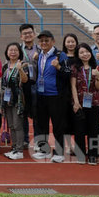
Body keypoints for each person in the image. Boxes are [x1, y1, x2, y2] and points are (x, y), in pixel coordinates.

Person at [31, 30, 70, 163]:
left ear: (53, 41)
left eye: (46, 40)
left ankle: (59, 152)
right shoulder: (40, 55)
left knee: (58, 124)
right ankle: (44, 150)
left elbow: (68, 74)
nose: (44, 43)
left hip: (55, 95)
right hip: (41, 95)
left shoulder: (60, 55)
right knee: (42, 124)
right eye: (41, 41)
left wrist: (58, 66)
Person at [70, 43, 99, 165]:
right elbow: (73, 86)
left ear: (91, 52)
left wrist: (98, 77)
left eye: (87, 51)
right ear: (78, 55)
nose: (85, 54)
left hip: (94, 103)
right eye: (81, 52)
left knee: (93, 130)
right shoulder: (75, 68)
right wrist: (76, 102)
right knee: (79, 130)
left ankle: (93, 155)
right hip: (79, 103)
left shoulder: (97, 67)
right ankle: (80, 154)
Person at [0, 43, 28, 160]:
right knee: (11, 125)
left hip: (18, 100)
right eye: (10, 50)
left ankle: (19, 150)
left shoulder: (23, 64)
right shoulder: (5, 66)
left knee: (18, 125)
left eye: (15, 50)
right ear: (7, 52)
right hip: (7, 100)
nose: (13, 52)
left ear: (19, 52)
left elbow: (25, 80)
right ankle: (14, 147)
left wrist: (20, 69)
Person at [19, 24, 41, 147]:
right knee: (22, 114)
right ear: (21, 36)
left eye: (30, 33)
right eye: (25, 33)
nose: (28, 35)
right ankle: (24, 139)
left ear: (34, 34)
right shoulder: (16, 49)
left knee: (37, 115)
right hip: (22, 86)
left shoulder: (40, 49)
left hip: (37, 85)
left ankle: (38, 141)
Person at [61, 33, 79, 156]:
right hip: (64, 93)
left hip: (79, 93)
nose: (71, 44)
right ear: (64, 43)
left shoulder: (80, 56)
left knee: (77, 121)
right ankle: (68, 146)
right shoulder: (61, 57)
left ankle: (78, 146)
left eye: (73, 41)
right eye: (68, 42)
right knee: (64, 121)